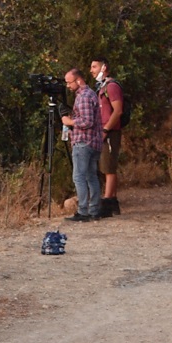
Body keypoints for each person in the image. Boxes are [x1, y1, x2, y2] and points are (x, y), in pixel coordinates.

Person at [59, 68, 102, 221]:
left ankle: (83, 211)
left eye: (69, 82)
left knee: (79, 177)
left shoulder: (83, 97)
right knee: (91, 176)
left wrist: (69, 121)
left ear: (78, 80)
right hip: (93, 142)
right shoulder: (90, 94)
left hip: (84, 142)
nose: (68, 86)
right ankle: (94, 210)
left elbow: (87, 121)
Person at [90, 58, 125, 216]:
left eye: (94, 66)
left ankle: (107, 202)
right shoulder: (101, 87)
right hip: (103, 130)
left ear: (104, 67)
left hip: (110, 132)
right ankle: (113, 202)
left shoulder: (111, 86)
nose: (92, 70)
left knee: (108, 168)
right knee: (105, 166)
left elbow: (118, 111)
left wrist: (105, 129)